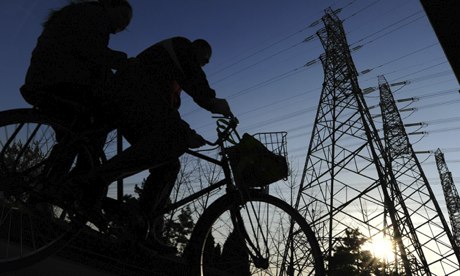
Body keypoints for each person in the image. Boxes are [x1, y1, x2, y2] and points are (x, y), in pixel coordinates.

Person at [79, 37, 232, 250]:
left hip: (136, 104)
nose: (203, 65)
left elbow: (165, 113)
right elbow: (193, 80)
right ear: (195, 49)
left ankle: (142, 227)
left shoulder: (171, 79)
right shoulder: (180, 47)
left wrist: (188, 131)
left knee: (169, 164)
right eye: (204, 60)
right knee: (174, 139)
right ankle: (97, 179)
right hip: (127, 99)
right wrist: (212, 102)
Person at [19, 0, 132, 184]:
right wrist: (123, 62)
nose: (122, 25)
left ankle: (50, 187)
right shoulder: (96, 16)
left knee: (74, 135)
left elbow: (88, 56)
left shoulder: (81, 13)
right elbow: (92, 51)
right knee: (100, 122)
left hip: (46, 77)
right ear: (110, 6)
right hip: (61, 81)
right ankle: (76, 183)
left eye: (126, 25)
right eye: (123, 17)